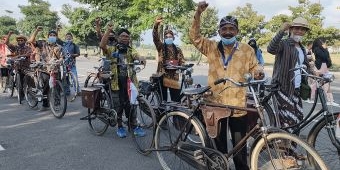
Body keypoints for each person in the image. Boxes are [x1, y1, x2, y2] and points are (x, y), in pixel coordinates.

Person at [189, 2, 264, 170]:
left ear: (237, 31)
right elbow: (194, 37)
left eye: (231, 29)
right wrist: (198, 13)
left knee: (239, 147)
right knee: (218, 146)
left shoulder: (246, 50)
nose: (228, 32)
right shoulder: (210, 47)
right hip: (215, 104)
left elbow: (255, 66)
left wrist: (258, 72)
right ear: (219, 32)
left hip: (238, 106)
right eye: (224, 29)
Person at [267, 17, 315, 131]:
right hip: (282, 88)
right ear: (291, 29)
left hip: (296, 89)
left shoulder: (302, 48)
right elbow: (271, 49)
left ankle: (290, 147)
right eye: (296, 28)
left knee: (298, 118)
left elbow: (304, 67)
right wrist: (281, 31)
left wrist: (315, 74)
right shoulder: (284, 43)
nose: (299, 31)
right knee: (289, 121)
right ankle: (283, 147)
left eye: (303, 29)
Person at [100, 24, 146, 138]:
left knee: (132, 105)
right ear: (118, 37)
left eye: (127, 36)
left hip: (129, 83)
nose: (125, 38)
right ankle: (120, 127)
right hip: (116, 83)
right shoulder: (112, 49)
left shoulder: (130, 50)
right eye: (123, 36)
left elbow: (137, 55)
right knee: (118, 105)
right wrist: (108, 30)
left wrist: (141, 58)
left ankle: (134, 126)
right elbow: (102, 45)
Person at [27, 27, 64, 110]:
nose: (52, 36)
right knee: (46, 87)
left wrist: (59, 61)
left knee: (57, 87)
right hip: (44, 69)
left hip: (55, 69)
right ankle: (45, 105)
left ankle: (57, 104)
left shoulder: (59, 47)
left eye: (54, 35)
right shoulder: (42, 43)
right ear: (48, 36)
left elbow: (62, 57)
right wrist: (36, 31)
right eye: (50, 35)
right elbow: (30, 41)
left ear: (56, 37)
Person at [153, 16, 185, 102]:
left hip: (173, 76)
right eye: (166, 37)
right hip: (162, 75)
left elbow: (182, 61)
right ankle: (161, 115)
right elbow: (155, 37)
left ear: (173, 38)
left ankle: (176, 115)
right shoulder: (161, 47)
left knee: (176, 101)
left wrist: (183, 67)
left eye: (170, 36)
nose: (168, 38)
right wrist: (156, 25)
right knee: (162, 100)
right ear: (164, 38)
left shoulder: (178, 49)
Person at [312, 38, 339, 106]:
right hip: (321, 68)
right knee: (325, 85)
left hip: (323, 67)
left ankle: (312, 98)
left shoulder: (320, 49)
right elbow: (325, 57)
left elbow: (327, 58)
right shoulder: (317, 49)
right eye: (323, 42)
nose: (325, 44)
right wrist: (325, 49)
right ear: (320, 43)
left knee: (317, 84)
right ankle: (330, 101)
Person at [5, 33, 32, 98]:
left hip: (26, 67)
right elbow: (6, 43)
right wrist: (9, 34)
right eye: (19, 40)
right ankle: (13, 85)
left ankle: (31, 91)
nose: (20, 41)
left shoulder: (28, 48)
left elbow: (28, 54)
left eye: (21, 40)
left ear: (24, 41)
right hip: (17, 67)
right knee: (13, 73)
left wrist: (19, 56)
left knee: (30, 78)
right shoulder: (15, 47)